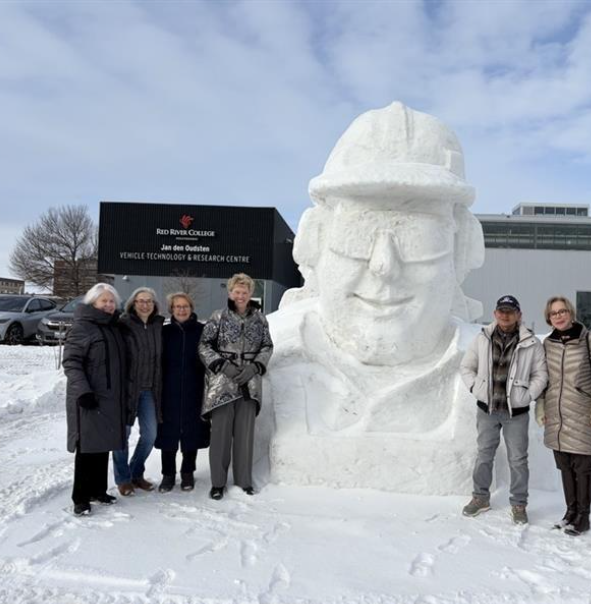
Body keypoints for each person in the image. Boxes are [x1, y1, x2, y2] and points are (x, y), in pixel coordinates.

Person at [262, 102, 491, 495]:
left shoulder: (488, 365)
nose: (384, 266)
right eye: (358, 233)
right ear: (313, 241)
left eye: (417, 236)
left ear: (463, 247)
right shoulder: (269, 356)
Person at [460, 295, 548, 524]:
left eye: (510, 311)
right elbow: (467, 367)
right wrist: (475, 388)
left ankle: (519, 504)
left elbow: (541, 375)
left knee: (518, 459)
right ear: (495, 313)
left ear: (519, 315)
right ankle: (480, 498)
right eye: (501, 310)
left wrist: (527, 396)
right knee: (483, 455)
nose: (505, 315)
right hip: (486, 410)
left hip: (515, 413)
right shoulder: (482, 338)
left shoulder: (531, 343)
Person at [199, 274, 273, 500]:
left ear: (250, 294)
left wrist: (255, 367)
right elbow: (204, 346)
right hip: (222, 383)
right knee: (220, 436)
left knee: (244, 435)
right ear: (230, 293)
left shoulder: (260, 319)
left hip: (249, 383)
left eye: (245, 292)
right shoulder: (217, 317)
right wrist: (223, 367)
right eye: (236, 291)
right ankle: (218, 483)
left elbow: (267, 345)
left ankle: (244, 480)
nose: (240, 296)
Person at [536, 296, 591, 535]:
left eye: (563, 311)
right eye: (554, 313)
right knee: (564, 463)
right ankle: (570, 512)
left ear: (571, 313)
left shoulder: (590, 340)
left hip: (582, 410)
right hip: (556, 412)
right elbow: (544, 377)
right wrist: (541, 405)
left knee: (582, 464)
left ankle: (583, 517)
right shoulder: (548, 343)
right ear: (549, 318)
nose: (559, 316)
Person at [63, 283, 127, 516]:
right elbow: (72, 362)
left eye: (112, 301)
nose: (109, 305)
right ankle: (80, 497)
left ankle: (98, 490)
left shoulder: (113, 327)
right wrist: (83, 391)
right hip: (89, 396)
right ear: (93, 303)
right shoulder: (82, 327)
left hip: (111, 397)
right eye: (104, 301)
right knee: (87, 448)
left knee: (103, 445)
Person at [155, 293, 209, 493]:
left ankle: (188, 472)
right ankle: (168, 474)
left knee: (191, 433)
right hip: (168, 389)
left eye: (185, 306)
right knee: (168, 433)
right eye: (177, 306)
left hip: (194, 389)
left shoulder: (202, 331)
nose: (181, 309)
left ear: (191, 308)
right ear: (171, 309)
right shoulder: (164, 332)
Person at [113, 287, 164, 496]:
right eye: (141, 301)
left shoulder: (158, 326)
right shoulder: (123, 325)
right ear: (133, 304)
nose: (145, 304)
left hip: (149, 390)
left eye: (149, 301)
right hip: (127, 389)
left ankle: (136, 472)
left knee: (150, 434)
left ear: (154, 305)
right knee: (121, 437)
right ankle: (123, 479)